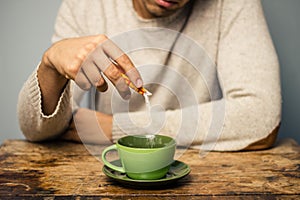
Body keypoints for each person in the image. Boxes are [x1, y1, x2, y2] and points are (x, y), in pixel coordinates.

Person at [17, 0, 281, 151]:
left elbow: (261, 117)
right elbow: (39, 131)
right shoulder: (86, 5)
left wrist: (116, 129)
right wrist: (50, 66)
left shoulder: (233, 4)